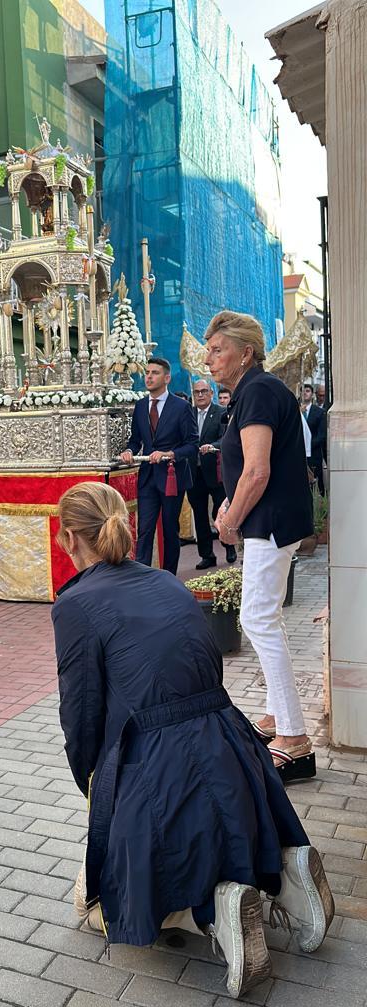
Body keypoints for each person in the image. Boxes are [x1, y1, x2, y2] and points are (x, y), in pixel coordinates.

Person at [52, 482, 333, 1000]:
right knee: (218, 830)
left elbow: (81, 713)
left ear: (69, 538)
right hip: (233, 742)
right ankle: (287, 869)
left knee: (108, 905)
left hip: (159, 761)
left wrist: (95, 785)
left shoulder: (76, 604)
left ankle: (214, 912)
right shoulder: (167, 581)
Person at [204, 311, 315, 781]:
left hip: (269, 522)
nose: (209, 359)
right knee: (264, 617)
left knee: (255, 618)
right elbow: (246, 467)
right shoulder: (252, 392)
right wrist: (230, 501)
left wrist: (231, 518)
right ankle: (276, 716)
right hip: (269, 519)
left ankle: (295, 738)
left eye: (217, 350)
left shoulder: (258, 391)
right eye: (209, 350)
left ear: (245, 352)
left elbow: (258, 471)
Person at [119, 357, 198, 574]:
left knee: (170, 530)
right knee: (144, 530)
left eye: (155, 373)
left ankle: (169, 577)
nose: (149, 377)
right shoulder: (141, 405)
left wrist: (170, 453)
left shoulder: (181, 407)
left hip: (173, 477)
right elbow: (136, 440)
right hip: (147, 478)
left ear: (167, 377)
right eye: (147, 373)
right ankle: (143, 577)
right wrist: (129, 451)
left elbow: (192, 444)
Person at [187, 379, 236, 569]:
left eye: (204, 391)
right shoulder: (188, 414)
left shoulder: (221, 413)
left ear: (211, 393)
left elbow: (227, 438)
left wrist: (213, 446)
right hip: (194, 472)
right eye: (197, 392)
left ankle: (228, 545)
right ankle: (207, 555)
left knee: (220, 511)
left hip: (216, 472)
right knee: (199, 515)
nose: (200, 395)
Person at [300, 383, 326, 495]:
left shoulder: (319, 412)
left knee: (317, 485)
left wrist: (307, 445)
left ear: (312, 394)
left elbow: (321, 436)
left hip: (314, 455)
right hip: (299, 455)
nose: (305, 393)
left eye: (308, 391)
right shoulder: (295, 411)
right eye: (303, 391)